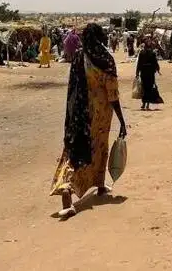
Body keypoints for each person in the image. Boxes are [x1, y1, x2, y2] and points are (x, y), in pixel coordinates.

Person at [51, 23, 127, 218]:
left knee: (75, 151)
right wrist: (122, 120)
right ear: (101, 37)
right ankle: (85, 186)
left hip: (80, 114)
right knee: (99, 148)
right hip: (101, 115)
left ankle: (80, 188)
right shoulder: (105, 60)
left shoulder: (78, 57)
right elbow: (113, 93)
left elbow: (73, 88)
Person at [136, 39, 162, 111]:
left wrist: (137, 73)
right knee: (149, 88)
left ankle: (144, 104)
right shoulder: (152, 53)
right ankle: (147, 104)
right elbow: (155, 63)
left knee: (144, 88)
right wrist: (158, 69)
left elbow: (139, 63)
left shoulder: (142, 52)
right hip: (150, 72)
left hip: (144, 72)